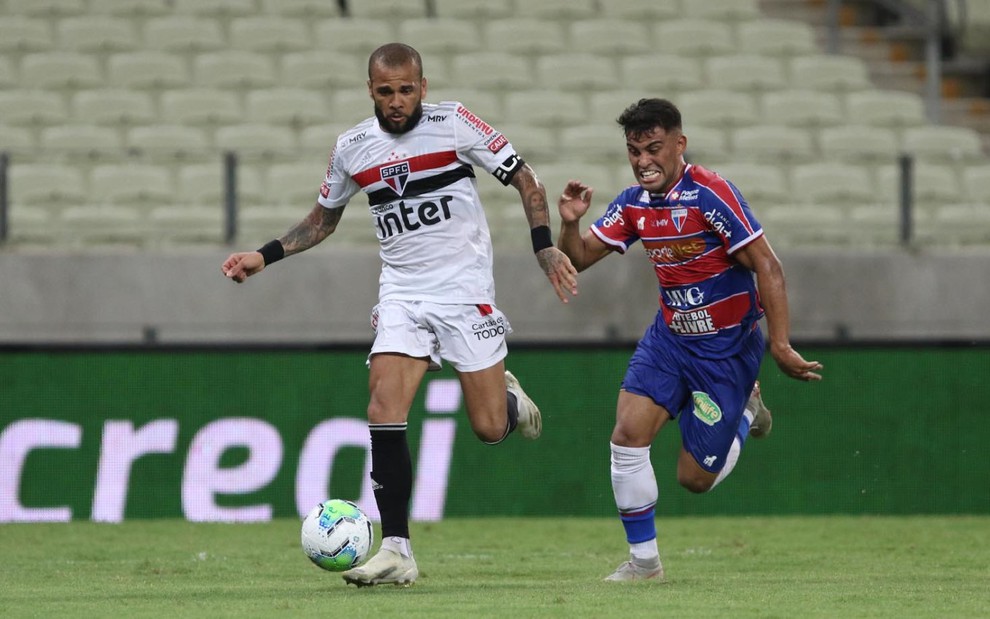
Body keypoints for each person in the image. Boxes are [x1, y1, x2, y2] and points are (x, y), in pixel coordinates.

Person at [221, 43, 578, 587]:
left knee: (488, 428)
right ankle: (397, 549)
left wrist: (543, 246)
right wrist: (263, 256)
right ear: (370, 90)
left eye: (405, 90)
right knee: (383, 407)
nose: (396, 101)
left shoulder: (454, 122)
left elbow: (527, 178)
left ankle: (506, 395)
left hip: (464, 291)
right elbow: (323, 219)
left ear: (422, 87)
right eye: (385, 91)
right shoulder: (352, 147)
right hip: (402, 293)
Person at [554, 98, 822, 582]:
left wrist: (779, 345)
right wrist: (571, 221)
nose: (643, 161)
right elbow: (580, 257)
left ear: (680, 144)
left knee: (694, 480)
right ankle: (644, 564)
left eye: (653, 148)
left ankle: (744, 410)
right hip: (670, 339)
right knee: (626, 437)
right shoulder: (634, 203)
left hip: (725, 349)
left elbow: (768, 264)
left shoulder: (709, 194)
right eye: (634, 151)